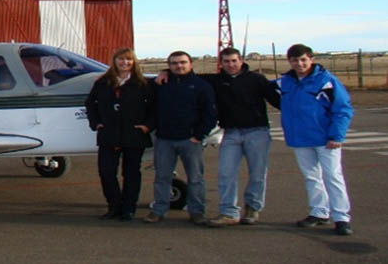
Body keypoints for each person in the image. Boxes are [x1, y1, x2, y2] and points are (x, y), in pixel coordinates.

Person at [160, 48, 281, 227]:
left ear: (241, 61)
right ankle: (229, 212)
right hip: (231, 133)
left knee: (257, 173)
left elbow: (278, 102)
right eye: (226, 61)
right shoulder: (215, 80)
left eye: (234, 61)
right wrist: (166, 71)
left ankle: (253, 207)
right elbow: (186, 74)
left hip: (257, 131)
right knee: (226, 173)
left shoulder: (257, 80)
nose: (230, 65)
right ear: (221, 63)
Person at [276, 44, 354, 236]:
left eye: (303, 59)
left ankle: (341, 217)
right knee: (312, 177)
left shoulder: (326, 81)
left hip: (326, 139)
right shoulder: (285, 82)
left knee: (333, 177)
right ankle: (319, 212)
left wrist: (336, 135)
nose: (299, 64)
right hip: (300, 139)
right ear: (290, 61)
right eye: (295, 60)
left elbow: (343, 109)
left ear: (311, 59)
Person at [142, 51, 217, 226]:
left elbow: (210, 113)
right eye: (174, 63)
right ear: (169, 66)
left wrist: (198, 136)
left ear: (190, 64)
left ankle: (197, 212)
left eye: (183, 62)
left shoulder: (201, 86)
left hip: (190, 140)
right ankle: (159, 210)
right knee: (162, 177)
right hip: (164, 139)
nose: (179, 66)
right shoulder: (161, 84)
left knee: (196, 178)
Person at [85, 48, 155, 222]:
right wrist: (96, 123)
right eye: (121, 59)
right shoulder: (103, 82)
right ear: (114, 61)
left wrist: (147, 126)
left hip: (134, 135)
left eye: (129, 60)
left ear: (134, 62)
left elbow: (155, 108)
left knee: (131, 173)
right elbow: (90, 103)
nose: (125, 63)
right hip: (109, 134)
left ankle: (129, 208)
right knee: (106, 172)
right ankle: (114, 206)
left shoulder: (143, 83)